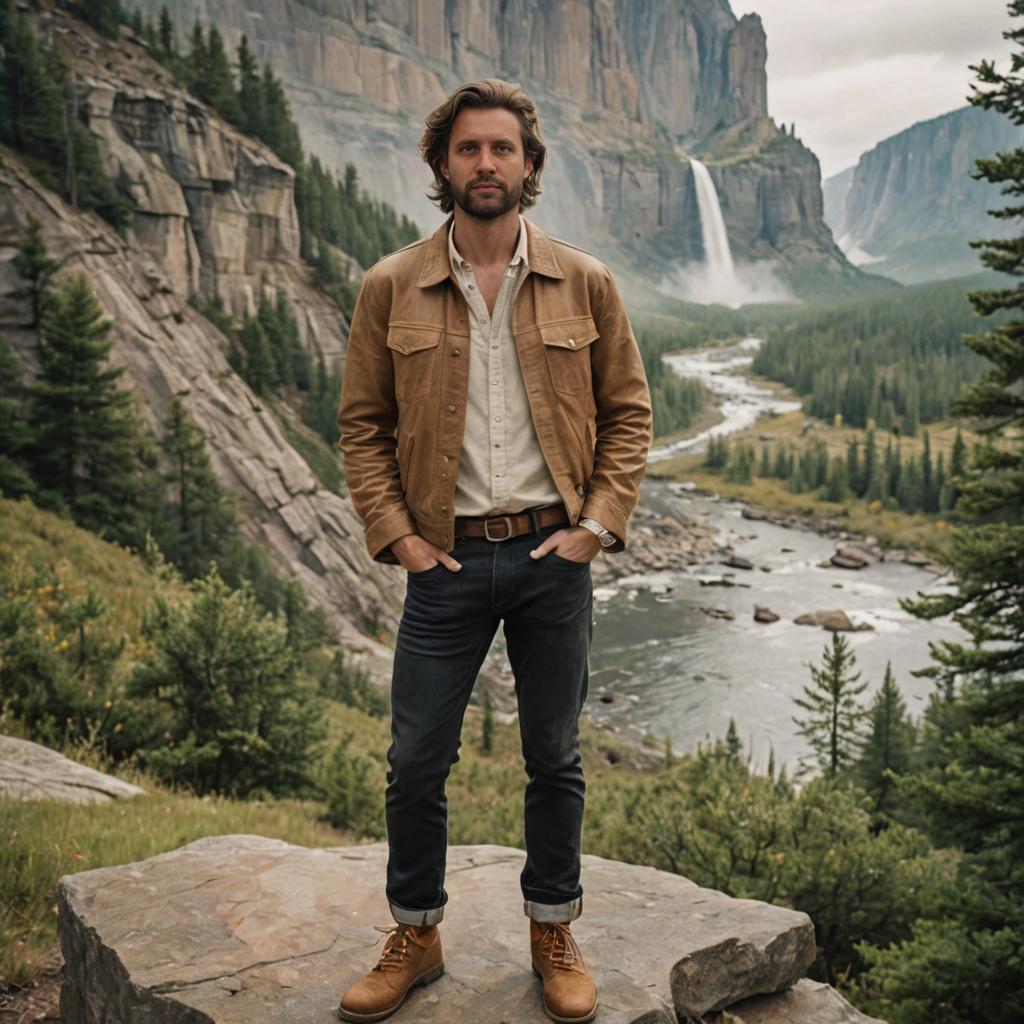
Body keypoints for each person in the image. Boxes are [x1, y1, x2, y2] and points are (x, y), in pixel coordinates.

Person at [335, 77, 652, 1024]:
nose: (486, 164)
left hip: (554, 561)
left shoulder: (584, 279)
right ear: (443, 165)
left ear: (529, 163)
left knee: (554, 758)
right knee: (414, 760)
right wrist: (399, 538)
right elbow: (362, 426)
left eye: (502, 149)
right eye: (469, 149)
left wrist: (593, 528)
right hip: (447, 563)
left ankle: (552, 929)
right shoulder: (392, 284)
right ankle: (416, 933)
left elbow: (629, 415)